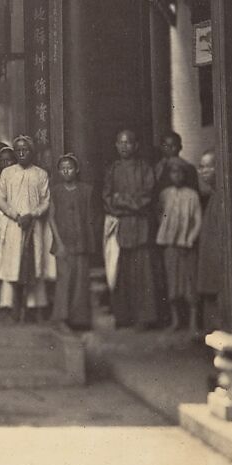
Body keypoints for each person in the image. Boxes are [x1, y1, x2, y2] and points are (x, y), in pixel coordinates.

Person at [0, 136, 54, 324]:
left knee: (33, 266)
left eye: (25, 150)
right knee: (14, 267)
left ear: (31, 152)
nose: (21, 153)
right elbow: (1, 199)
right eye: (18, 150)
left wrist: (32, 214)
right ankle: (15, 309)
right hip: (14, 226)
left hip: (34, 226)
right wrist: (15, 215)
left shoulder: (41, 174)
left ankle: (33, 310)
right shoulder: (7, 173)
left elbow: (46, 200)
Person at [102, 130, 158, 329]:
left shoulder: (145, 169)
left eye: (128, 142)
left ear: (136, 145)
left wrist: (122, 200)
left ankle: (144, 317)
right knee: (121, 273)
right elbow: (108, 199)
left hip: (141, 226)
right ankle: (123, 316)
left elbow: (147, 198)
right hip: (122, 226)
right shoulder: (113, 169)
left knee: (143, 273)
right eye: (121, 143)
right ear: (116, 145)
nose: (124, 146)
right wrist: (127, 203)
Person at [49, 153, 100, 330]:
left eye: (69, 168)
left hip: (81, 241)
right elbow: (51, 218)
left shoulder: (86, 190)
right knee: (64, 281)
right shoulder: (55, 191)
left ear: (76, 170)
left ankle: (79, 319)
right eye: (62, 169)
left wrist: (88, 239)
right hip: (63, 243)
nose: (66, 171)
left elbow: (91, 217)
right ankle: (61, 318)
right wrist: (59, 243)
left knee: (80, 280)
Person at [156, 157, 203, 336]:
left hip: (187, 245)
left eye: (180, 172)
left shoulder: (192, 195)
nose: (177, 176)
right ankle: (176, 320)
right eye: (173, 173)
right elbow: (159, 212)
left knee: (189, 282)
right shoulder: (165, 194)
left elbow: (198, 219)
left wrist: (190, 237)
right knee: (172, 282)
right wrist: (166, 230)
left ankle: (193, 323)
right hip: (170, 245)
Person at [195, 149, 225, 332]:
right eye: (201, 167)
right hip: (209, 263)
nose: (203, 171)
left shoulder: (222, 197)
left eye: (208, 166)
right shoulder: (213, 196)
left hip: (216, 265)